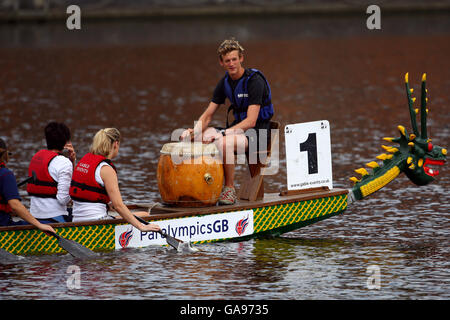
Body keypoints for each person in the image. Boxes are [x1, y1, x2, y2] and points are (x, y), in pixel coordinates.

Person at [181, 38, 274, 205]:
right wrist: (192, 132)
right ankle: (205, 185)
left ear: (241, 59)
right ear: (221, 63)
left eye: (234, 59)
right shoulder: (225, 82)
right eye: (227, 61)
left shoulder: (254, 81)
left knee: (223, 143)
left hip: (257, 134)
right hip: (237, 132)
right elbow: (208, 115)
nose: (231, 64)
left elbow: (251, 121)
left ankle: (229, 189)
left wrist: (223, 133)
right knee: (201, 136)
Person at [70, 128, 160, 232]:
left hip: (76, 221)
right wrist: (142, 227)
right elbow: (118, 206)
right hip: (97, 223)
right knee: (145, 215)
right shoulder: (106, 169)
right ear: (115, 144)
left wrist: (107, 205)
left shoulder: (84, 161)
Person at [0, 138, 56, 233]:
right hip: (3, 226)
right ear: (5, 154)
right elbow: (15, 205)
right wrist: (39, 225)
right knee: (45, 223)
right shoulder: (5, 175)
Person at [27, 122, 76, 223]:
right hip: (54, 219)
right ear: (66, 142)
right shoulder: (64, 163)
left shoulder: (36, 157)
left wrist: (72, 162)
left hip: (34, 217)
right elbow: (63, 199)